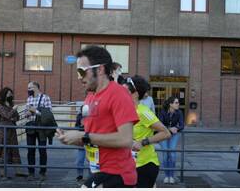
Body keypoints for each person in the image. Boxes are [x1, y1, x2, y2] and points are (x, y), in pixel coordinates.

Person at [56, 45, 139, 188]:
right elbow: (92, 138)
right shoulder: (89, 97)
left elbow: (125, 140)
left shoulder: (118, 94)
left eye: (82, 71)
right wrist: (71, 138)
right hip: (98, 171)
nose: (78, 77)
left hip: (117, 174)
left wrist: (83, 136)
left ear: (100, 69)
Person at [123, 75, 171, 187]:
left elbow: (166, 133)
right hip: (127, 165)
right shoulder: (123, 110)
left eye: (124, 89)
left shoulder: (142, 112)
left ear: (134, 93)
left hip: (144, 165)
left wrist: (143, 142)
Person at [0, 87, 26, 178]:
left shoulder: (11, 104)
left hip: (12, 129)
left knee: (14, 149)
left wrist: (12, 116)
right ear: (4, 94)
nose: (10, 95)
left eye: (11, 93)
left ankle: (18, 171)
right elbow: (6, 115)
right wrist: (14, 110)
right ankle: (3, 174)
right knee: (4, 150)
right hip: (3, 130)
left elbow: (17, 117)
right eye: (8, 93)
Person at [25, 81, 52, 181]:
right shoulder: (29, 99)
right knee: (30, 150)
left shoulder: (45, 98)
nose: (28, 90)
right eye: (28, 88)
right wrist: (27, 113)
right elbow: (26, 113)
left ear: (36, 87)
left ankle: (42, 173)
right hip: (31, 126)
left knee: (42, 150)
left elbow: (48, 114)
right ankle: (31, 173)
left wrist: (34, 111)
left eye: (30, 88)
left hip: (42, 128)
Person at [159, 96, 184, 184]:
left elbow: (182, 125)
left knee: (172, 154)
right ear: (171, 104)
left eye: (178, 102)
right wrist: (169, 129)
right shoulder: (163, 112)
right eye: (176, 103)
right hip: (163, 134)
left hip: (174, 134)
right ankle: (166, 176)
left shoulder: (179, 112)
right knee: (165, 154)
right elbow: (160, 125)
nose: (178, 104)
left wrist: (176, 128)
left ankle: (171, 176)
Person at [74, 106, 87, 181]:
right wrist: (81, 126)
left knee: (91, 160)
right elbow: (76, 127)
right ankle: (80, 175)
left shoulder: (92, 116)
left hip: (91, 139)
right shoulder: (79, 116)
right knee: (80, 159)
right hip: (82, 139)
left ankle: (91, 175)